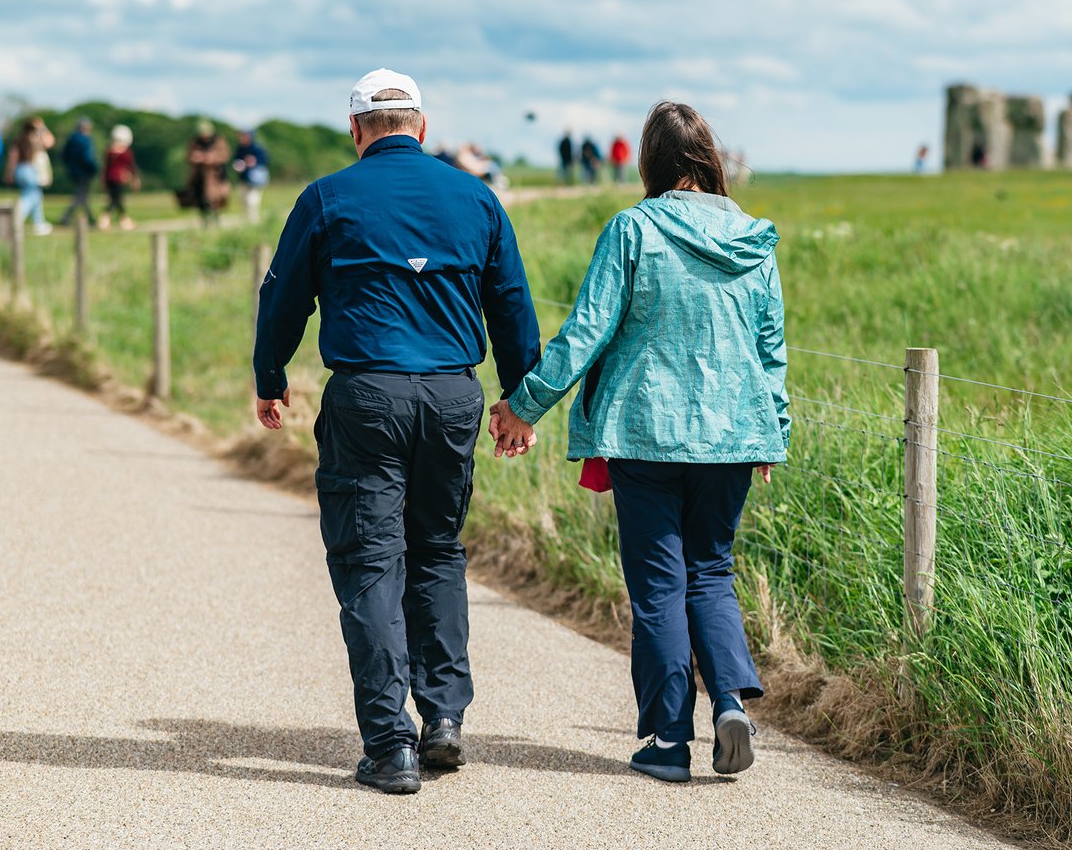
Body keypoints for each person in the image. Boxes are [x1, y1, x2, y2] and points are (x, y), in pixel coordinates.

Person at [252, 69, 541, 796]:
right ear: (421, 125)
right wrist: (521, 400)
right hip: (452, 397)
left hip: (368, 396)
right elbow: (511, 303)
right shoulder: (476, 196)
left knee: (371, 560)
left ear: (356, 131)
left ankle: (390, 747)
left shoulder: (326, 197)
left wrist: (270, 375)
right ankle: (443, 719)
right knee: (437, 551)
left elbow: (283, 294)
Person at [489, 100, 789, 784]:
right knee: (710, 571)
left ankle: (667, 742)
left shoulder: (632, 229)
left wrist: (523, 405)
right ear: (709, 160)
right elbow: (770, 349)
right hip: (734, 436)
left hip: (643, 433)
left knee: (659, 584)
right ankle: (732, 705)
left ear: (650, 162)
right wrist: (773, 430)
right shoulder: (753, 239)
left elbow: (587, 331)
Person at [6, 117, 54, 235]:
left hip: (20, 170)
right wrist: (43, 128)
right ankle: (17, 219)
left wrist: (10, 172)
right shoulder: (35, 139)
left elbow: (12, 158)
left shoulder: (18, 139)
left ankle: (38, 223)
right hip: (30, 170)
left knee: (36, 196)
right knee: (29, 197)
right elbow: (50, 141)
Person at [182, 119, 231, 226]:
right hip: (198, 177)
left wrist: (208, 158)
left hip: (215, 177)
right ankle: (205, 222)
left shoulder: (219, 141)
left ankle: (216, 220)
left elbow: (224, 155)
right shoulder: (195, 141)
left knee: (215, 201)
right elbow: (188, 155)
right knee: (200, 201)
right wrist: (195, 157)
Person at [59, 118, 99, 228]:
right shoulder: (85, 140)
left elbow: (64, 156)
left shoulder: (71, 139)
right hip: (84, 172)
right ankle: (66, 217)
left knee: (83, 196)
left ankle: (90, 219)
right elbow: (88, 158)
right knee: (81, 196)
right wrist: (94, 169)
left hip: (73, 171)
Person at [101, 125, 139, 231]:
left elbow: (105, 167)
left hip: (110, 178)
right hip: (118, 179)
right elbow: (132, 166)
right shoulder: (126, 152)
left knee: (117, 200)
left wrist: (103, 181)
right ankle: (107, 219)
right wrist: (135, 179)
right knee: (115, 200)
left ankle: (123, 220)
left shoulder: (109, 151)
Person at [231, 129, 271, 224]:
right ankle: (247, 220)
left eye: (244, 136)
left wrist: (254, 161)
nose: (242, 138)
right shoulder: (240, 149)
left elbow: (265, 160)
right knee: (244, 201)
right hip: (243, 179)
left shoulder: (257, 148)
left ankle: (253, 222)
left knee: (252, 201)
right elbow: (235, 160)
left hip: (256, 180)